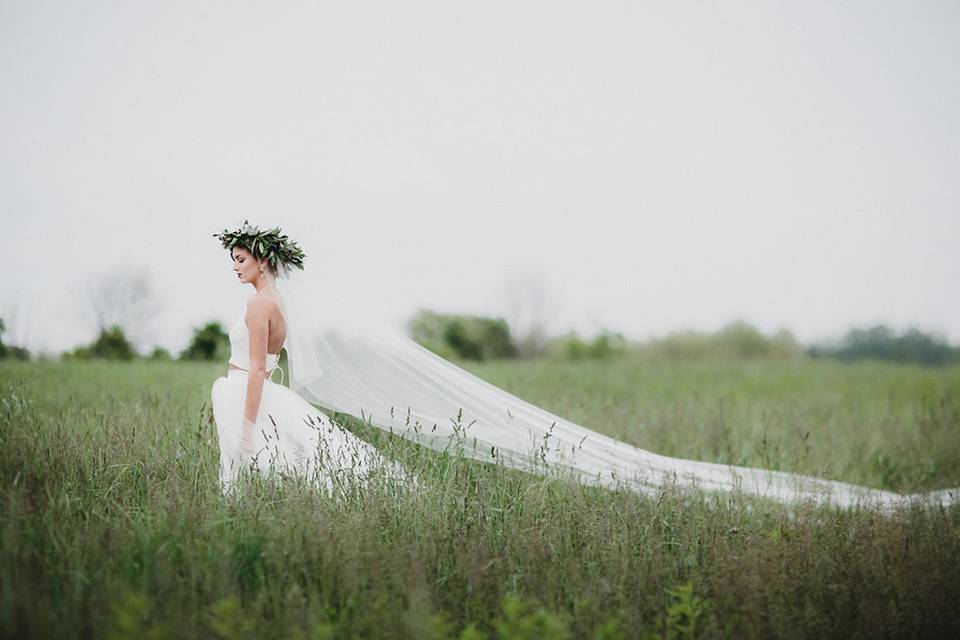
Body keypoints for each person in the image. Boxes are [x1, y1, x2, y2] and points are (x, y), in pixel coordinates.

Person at [210, 221, 957, 512]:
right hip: (275, 399)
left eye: (240, 256)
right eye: (233, 259)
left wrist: (244, 427)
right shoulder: (284, 307)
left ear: (262, 259)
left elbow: (255, 373)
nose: (235, 266)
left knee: (273, 474)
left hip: (261, 404)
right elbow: (273, 362)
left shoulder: (255, 308)